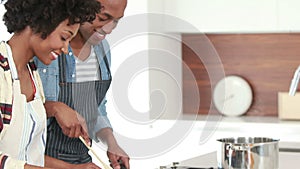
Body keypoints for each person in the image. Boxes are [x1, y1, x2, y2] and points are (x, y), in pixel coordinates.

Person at [0, 0, 100, 168]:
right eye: (64, 37)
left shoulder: (32, 74)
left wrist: (73, 168)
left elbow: (29, 156)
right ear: (39, 22)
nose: (65, 49)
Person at [35, 0, 130, 169]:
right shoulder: (49, 50)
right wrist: (55, 107)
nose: (108, 28)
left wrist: (111, 142)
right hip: (43, 162)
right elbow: (23, 113)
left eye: (116, 21)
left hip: (82, 161)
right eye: (103, 18)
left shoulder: (103, 50)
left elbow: (96, 107)